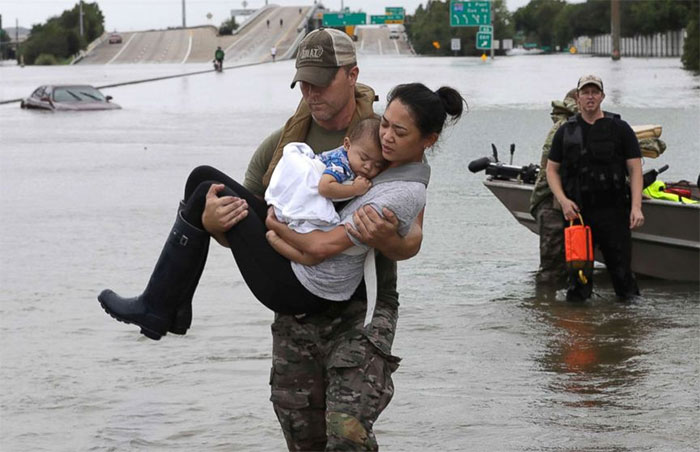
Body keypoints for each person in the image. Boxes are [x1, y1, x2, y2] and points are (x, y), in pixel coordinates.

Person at [98, 26, 465, 450]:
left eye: (321, 82)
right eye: (303, 82)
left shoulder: (387, 139)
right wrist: (214, 223)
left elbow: (412, 236)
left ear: (352, 75)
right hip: (296, 299)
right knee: (301, 436)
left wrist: (385, 239)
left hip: (360, 304)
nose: (311, 93)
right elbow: (247, 231)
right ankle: (167, 308)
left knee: (347, 434)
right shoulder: (284, 144)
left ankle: (162, 308)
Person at [546, 74, 644, 301]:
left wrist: (636, 207)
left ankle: (628, 328)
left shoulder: (620, 129)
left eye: (594, 92)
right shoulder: (565, 131)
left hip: (614, 212)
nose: (590, 97)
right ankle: (579, 331)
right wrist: (563, 201)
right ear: (578, 98)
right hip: (578, 215)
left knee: (623, 278)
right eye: (585, 93)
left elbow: (635, 169)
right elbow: (552, 171)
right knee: (578, 279)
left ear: (602, 96)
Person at [265, 117, 386, 245]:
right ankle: (277, 241)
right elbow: (324, 188)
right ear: (347, 145)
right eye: (363, 158)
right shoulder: (341, 164)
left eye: (377, 165)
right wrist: (355, 189)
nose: (368, 167)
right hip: (307, 184)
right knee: (312, 242)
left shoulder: (350, 160)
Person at [529, 88, 578, 285]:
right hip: (551, 203)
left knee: (572, 263)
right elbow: (551, 170)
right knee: (553, 268)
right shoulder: (563, 129)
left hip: (566, 202)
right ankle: (546, 308)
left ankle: (559, 310)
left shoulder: (576, 127)